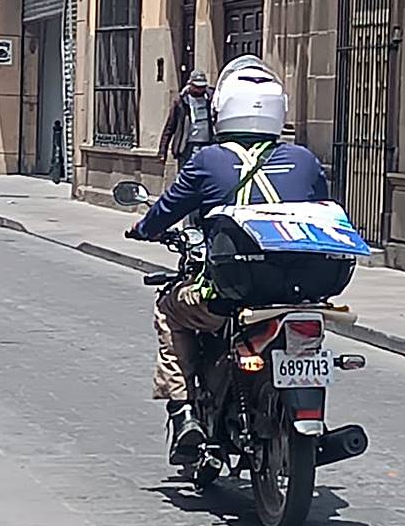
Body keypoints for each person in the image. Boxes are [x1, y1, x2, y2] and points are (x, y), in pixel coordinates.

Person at [126, 55, 328, 465]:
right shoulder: (304, 159)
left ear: (222, 110)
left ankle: (182, 411)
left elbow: (166, 209)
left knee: (169, 310)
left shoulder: (207, 160)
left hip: (231, 293)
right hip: (297, 294)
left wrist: (143, 229)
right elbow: (322, 206)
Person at [158, 70, 214, 167]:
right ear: (190, 84)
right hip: (187, 146)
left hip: (207, 144)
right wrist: (163, 151)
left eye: (202, 87)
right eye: (196, 87)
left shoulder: (210, 99)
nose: (199, 90)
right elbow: (170, 127)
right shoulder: (181, 102)